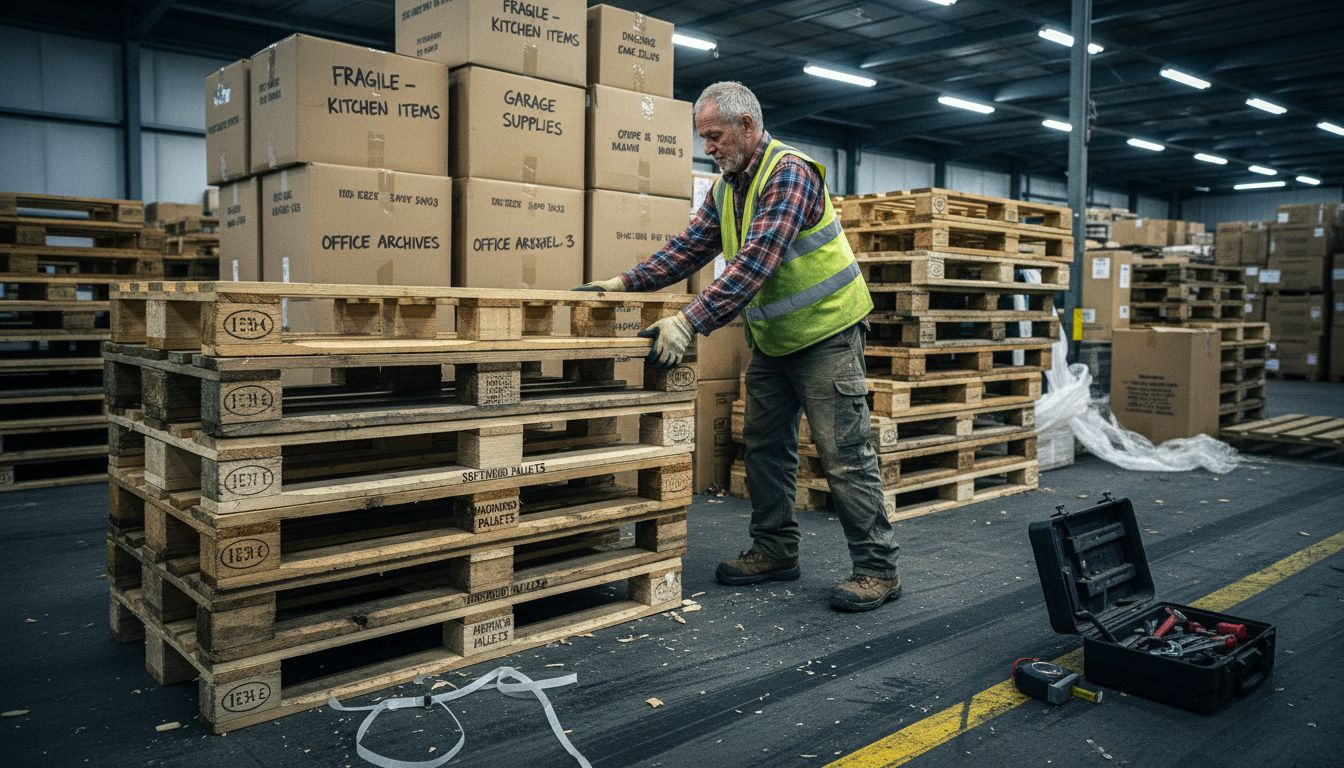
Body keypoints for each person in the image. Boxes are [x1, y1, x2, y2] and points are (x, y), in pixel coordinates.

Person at [575, 81, 901, 612]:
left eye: (715, 136)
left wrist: (688, 322)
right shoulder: (727, 188)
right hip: (774, 340)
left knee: (843, 456)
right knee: (765, 447)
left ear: (747, 126)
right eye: (704, 137)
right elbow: (687, 250)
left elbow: (756, 263)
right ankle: (775, 550)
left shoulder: (789, 172)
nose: (709, 147)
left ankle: (877, 569)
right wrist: (622, 284)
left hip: (828, 333)